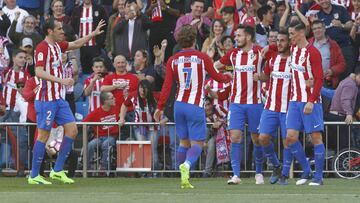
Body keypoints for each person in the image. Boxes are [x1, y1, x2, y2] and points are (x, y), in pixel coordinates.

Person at [28, 18, 105, 184]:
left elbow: (76, 43)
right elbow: (39, 72)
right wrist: (61, 80)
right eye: (59, 29)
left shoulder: (58, 46)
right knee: (43, 135)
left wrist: (93, 33)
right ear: (50, 31)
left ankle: (57, 170)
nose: (63, 31)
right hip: (46, 99)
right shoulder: (42, 47)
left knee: (72, 131)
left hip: (59, 99)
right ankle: (33, 175)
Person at [154, 25, 231, 189]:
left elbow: (167, 86)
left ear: (179, 41)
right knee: (198, 143)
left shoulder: (173, 60)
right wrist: (228, 78)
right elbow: (217, 76)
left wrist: (159, 107)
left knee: (183, 142)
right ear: (195, 39)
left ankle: (184, 178)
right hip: (195, 105)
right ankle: (187, 165)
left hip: (179, 105)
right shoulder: (202, 58)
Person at [214, 24, 264, 185]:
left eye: (239, 36)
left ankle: (259, 172)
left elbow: (275, 63)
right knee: (235, 137)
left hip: (255, 103)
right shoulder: (233, 54)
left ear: (248, 37)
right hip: (236, 104)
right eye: (235, 36)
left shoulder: (259, 52)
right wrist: (224, 77)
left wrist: (263, 77)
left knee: (256, 139)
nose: (235, 38)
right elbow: (215, 66)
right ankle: (236, 175)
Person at [286, 21, 325, 186]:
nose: (290, 37)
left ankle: (319, 177)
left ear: (301, 33)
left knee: (315, 137)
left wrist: (311, 100)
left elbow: (319, 78)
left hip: (310, 102)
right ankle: (307, 170)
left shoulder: (313, 52)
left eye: (292, 34)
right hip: (295, 100)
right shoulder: (293, 49)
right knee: (290, 137)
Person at [254, 30, 293, 185]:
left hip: (288, 108)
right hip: (270, 106)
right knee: (262, 138)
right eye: (277, 41)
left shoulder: (295, 61)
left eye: (283, 40)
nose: (279, 43)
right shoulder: (273, 60)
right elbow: (266, 76)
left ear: (290, 42)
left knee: (287, 142)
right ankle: (276, 165)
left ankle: (284, 174)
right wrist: (259, 77)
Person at [83, 92, 119, 170]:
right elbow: (84, 123)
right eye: (112, 98)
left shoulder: (117, 109)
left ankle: (104, 168)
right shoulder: (96, 112)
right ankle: (85, 167)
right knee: (90, 145)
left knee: (106, 144)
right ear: (105, 101)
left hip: (112, 136)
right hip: (99, 137)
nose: (114, 99)